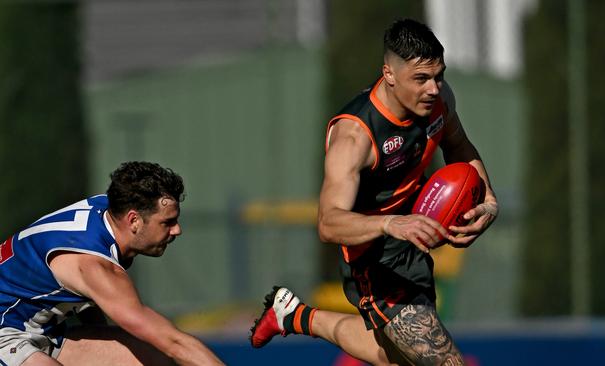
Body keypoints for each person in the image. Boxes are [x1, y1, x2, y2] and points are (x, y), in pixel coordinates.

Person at [250, 18, 498, 365]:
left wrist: (488, 201)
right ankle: (296, 316)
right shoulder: (355, 137)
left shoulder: (439, 102)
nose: (433, 88)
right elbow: (329, 223)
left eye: (438, 76)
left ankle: (294, 316)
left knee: (394, 358)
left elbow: (459, 146)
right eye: (421, 79)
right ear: (389, 74)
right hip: (375, 260)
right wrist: (389, 224)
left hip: (413, 240)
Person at [0, 161, 225, 366]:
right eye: (168, 222)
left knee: (156, 357)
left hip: (43, 330)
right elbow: (173, 342)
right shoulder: (94, 265)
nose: (177, 230)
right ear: (134, 220)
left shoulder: (113, 210)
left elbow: (91, 303)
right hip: (6, 332)